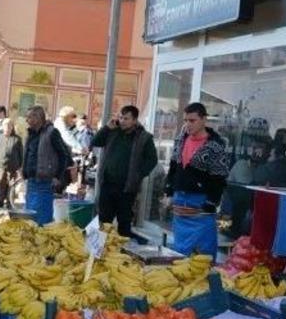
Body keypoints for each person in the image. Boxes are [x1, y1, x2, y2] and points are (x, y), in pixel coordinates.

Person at [164, 102, 229, 258]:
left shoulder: (215, 146)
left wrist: (211, 203)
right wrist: (168, 191)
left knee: (202, 255)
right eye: (186, 120)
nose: (188, 124)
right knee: (180, 253)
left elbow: (219, 178)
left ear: (204, 120)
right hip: (180, 204)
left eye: (192, 120)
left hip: (201, 206)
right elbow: (174, 167)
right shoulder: (181, 139)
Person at [91, 105, 158, 238]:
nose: (122, 121)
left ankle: (122, 253)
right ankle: (101, 250)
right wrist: (106, 128)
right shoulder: (112, 132)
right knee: (104, 220)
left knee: (124, 221)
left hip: (127, 188)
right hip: (107, 183)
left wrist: (138, 174)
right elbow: (95, 141)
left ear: (134, 120)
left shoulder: (144, 137)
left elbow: (152, 160)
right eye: (121, 117)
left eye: (126, 118)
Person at [22, 105, 72, 225]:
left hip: (45, 181)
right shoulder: (30, 133)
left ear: (38, 118)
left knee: (42, 215)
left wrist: (57, 176)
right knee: (30, 214)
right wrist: (23, 170)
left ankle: (43, 237)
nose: (26, 120)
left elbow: (64, 155)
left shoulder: (52, 132)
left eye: (29, 117)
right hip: (31, 180)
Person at [227, 140, 268, 238]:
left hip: (247, 205)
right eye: (255, 149)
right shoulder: (242, 164)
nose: (257, 152)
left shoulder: (261, 167)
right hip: (236, 205)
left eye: (260, 150)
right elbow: (247, 188)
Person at [0, 118, 23, 208]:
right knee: (1, 183)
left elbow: (21, 154)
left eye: (9, 125)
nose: (7, 127)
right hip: (0, 166)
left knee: (11, 185)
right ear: (2, 127)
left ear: (12, 127)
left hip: (13, 166)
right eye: (5, 125)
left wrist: (19, 167)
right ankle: (0, 201)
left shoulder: (17, 139)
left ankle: (9, 202)